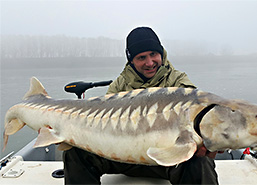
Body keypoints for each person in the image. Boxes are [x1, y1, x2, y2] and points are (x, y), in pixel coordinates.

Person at [63, 27, 219, 185]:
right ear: (131, 60)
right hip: (123, 156)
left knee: (199, 160)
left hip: (167, 159)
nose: (149, 62)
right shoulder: (119, 86)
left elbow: (198, 116)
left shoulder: (178, 82)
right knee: (75, 150)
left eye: (153, 54)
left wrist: (211, 142)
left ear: (161, 54)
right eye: (141, 57)